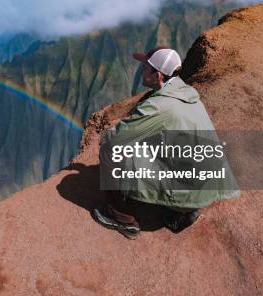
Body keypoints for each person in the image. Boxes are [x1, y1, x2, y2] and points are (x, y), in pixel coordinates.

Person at [92, 46, 239, 239]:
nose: (141, 70)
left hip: (189, 191)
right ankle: (183, 213)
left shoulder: (157, 106)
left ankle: (122, 218)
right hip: (211, 184)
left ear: (158, 75)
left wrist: (106, 137)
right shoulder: (188, 94)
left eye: (146, 67)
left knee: (110, 151)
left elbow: (115, 140)